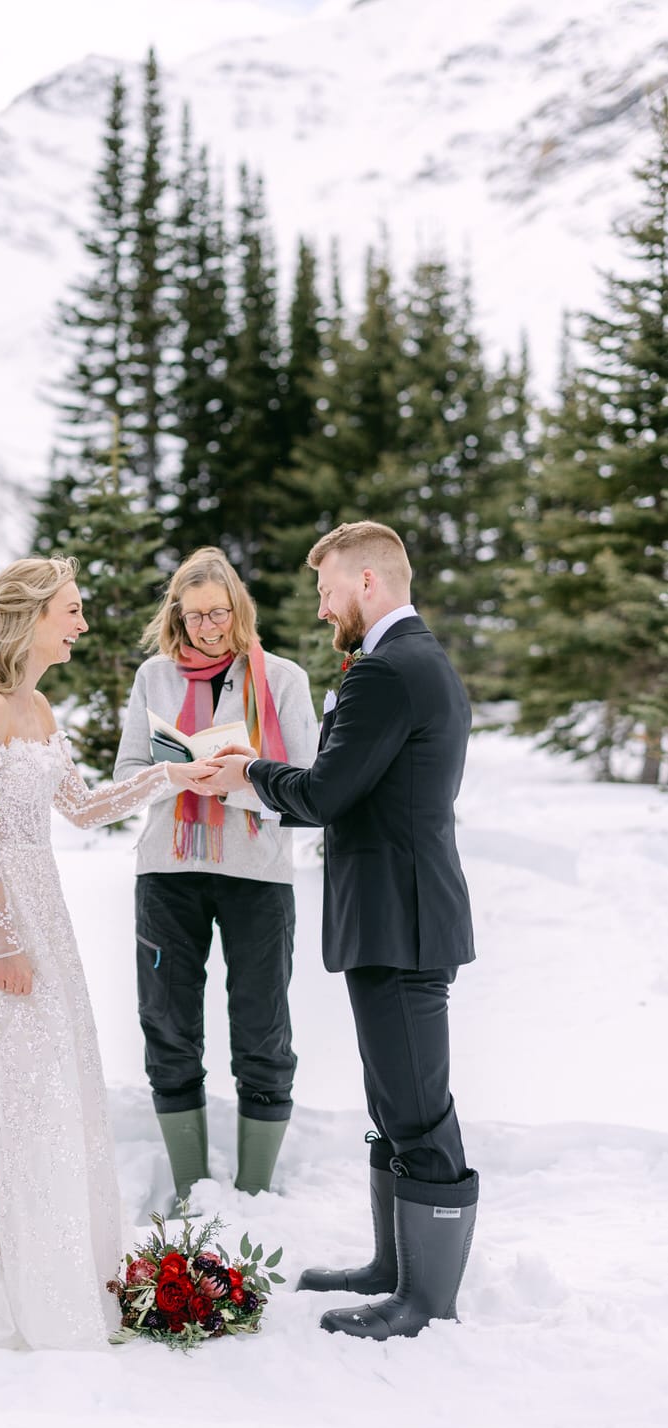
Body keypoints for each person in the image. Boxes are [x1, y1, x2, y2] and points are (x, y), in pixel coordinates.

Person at [0, 556, 214, 1352]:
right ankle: (7, 1257)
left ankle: (57, 1256)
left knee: (51, 1081)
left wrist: (172, 773)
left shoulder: (39, 706)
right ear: (29, 617)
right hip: (2, 924)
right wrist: (4, 942)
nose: (82, 624)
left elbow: (82, 809)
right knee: (16, 1085)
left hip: (44, 911)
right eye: (72, 610)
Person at [202, 521, 479, 1340]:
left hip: (402, 919)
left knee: (417, 1107)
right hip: (400, 913)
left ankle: (422, 1300)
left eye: (326, 592)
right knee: (394, 1096)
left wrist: (245, 772)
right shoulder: (412, 662)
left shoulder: (387, 672)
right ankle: (393, 1266)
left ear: (366, 583)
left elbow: (325, 793)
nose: (322, 609)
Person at [113, 547, 318, 1207]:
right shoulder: (155, 677)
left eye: (219, 613)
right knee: (167, 1023)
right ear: (177, 613)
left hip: (255, 869)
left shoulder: (281, 677)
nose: (207, 627)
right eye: (195, 614)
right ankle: (188, 1186)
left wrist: (239, 780)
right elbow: (124, 778)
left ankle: (253, 1190)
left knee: (262, 1026)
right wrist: (174, 774)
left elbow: (308, 785)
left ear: (238, 610)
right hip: (167, 869)